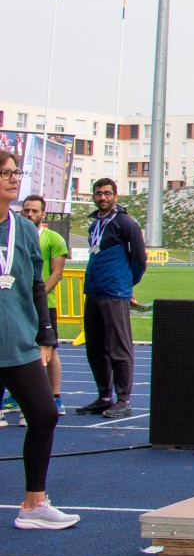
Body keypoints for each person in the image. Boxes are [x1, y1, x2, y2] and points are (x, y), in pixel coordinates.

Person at [0, 152, 78, 529]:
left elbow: (35, 282)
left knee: (44, 414)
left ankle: (34, 504)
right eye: (5, 173)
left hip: (17, 339)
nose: (14, 179)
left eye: (16, 172)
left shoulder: (24, 228)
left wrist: (45, 333)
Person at [75, 178, 145, 419]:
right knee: (95, 348)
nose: (102, 197)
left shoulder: (127, 223)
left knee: (119, 348)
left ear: (116, 196)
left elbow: (140, 260)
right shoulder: (95, 224)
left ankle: (124, 400)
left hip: (114, 293)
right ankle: (105, 397)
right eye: (98, 193)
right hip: (94, 291)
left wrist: (127, 285)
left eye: (107, 193)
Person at [19, 196, 66, 416]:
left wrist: (36, 296)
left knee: (50, 350)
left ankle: (55, 397)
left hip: (44, 304)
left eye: (34, 211)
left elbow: (57, 273)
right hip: (17, 304)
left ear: (43, 214)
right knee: (17, 349)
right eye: (26, 210)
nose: (30, 214)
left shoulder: (53, 238)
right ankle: (16, 396)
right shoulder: (15, 235)